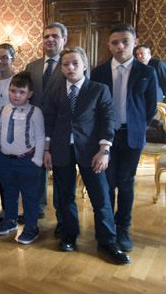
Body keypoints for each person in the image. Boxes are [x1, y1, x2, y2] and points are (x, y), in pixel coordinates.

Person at [44, 47, 131, 264]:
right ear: (61, 68)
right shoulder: (55, 91)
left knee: (100, 197)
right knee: (65, 196)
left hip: (92, 152)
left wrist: (104, 150)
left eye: (75, 63)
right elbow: (49, 121)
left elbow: (108, 119)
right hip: (62, 149)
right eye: (65, 64)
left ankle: (107, 240)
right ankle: (70, 234)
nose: (70, 67)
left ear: (85, 65)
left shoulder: (99, 89)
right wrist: (46, 149)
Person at [91, 23, 157, 253]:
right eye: (115, 42)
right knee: (106, 184)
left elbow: (150, 109)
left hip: (132, 136)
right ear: (109, 45)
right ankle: (106, 228)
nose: (120, 46)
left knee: (126, 183)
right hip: (105, 137)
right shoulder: (98, 72)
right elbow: (95, 107)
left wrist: (137, 126)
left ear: (135, 42)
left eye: (125, 41)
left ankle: (123, 228)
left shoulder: (147, 72)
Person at [24, 22, 67, 233]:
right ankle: (37, 209)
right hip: (35, 129)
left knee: (59, 175)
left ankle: (62, 218)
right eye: (46, 36)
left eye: (55, 36)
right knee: (35, 172)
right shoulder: (32, 67)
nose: (50, 40)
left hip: (60, 129)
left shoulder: (69, 65)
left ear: (63, 40)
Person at [0, 72, 45, 244]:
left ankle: (31, 226)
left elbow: (40, 136)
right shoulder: (2, 110)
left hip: (27, 160)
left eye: (21, 92)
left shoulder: (35, 112)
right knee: (9, 192)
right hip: (5, 160)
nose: (16, 95)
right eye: (13, 91)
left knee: (29, 194)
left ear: (29, 94)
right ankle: (10, 219)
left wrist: (37, 160)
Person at [0, 43, 16, 223]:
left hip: (16, 132)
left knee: (17, 176)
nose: (0, 61)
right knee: (3, 175)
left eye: (4, 58)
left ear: (12, 59)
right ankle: (6, 209)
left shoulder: (20, 79)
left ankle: (15, 210)